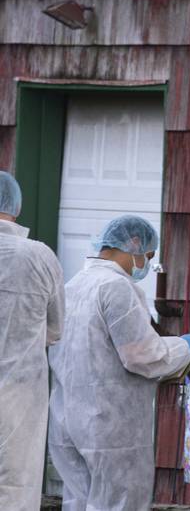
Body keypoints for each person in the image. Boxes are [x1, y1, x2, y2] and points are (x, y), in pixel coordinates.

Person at [48, 215, 190, 511]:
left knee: (78, 503)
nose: (146, 263)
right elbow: (141, 355)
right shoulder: (116, 287)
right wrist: (183, 347)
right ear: (132, 244)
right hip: (109, 427)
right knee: (119, 504)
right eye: (148, 255)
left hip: (67, 420)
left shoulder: (73, 285)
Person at [0, 172, 64, 510]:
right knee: (16, 481)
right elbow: (55, 329)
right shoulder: (38, 256)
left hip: (23, 387)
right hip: (21, 389)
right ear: (16, 205)